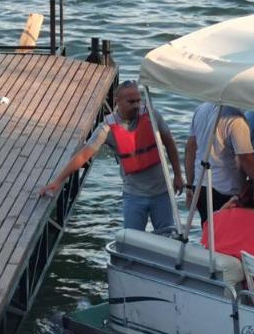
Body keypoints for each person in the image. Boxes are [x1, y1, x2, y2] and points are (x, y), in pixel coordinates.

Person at [40, 81, 182, 234]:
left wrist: (178, 176)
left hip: (161, 193)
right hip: (134, 196)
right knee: (132, 241)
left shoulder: (153, 116)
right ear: (117, 101)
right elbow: (83, 155)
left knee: (167, 237)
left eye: (138, 101)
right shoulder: (106, 128)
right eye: (131, 101)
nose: (136, 105)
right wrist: (58, 180)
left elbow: (170, 144)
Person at [184, 103, 254, 222]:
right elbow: (247, 160)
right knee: (227, 234)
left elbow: (190, 148)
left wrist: (189, 185)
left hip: (200, 185)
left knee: (208, 230)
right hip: (225, 190)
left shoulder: (201, 108)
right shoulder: (236, 120)